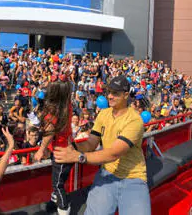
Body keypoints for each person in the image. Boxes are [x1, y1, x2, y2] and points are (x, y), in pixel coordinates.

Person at [53, 75, 150, 215]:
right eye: (109, 92)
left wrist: (78, 156)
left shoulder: (134, 120)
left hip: (133, 177)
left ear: (126, 95)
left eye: (115, 93)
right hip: (107, 174)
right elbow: (91, 143)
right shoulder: (103, 114)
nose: (110, 96)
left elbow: (113, 153)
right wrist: (71, 148)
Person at [33, 80, 74, 215]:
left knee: (57, 185)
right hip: (68, 148)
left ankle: (63, 208)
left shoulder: (53, 112)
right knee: (58, 181)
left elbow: (49, 133)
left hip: (60, 152)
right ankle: (54, 203)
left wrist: (40, 149)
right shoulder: (67, 105)